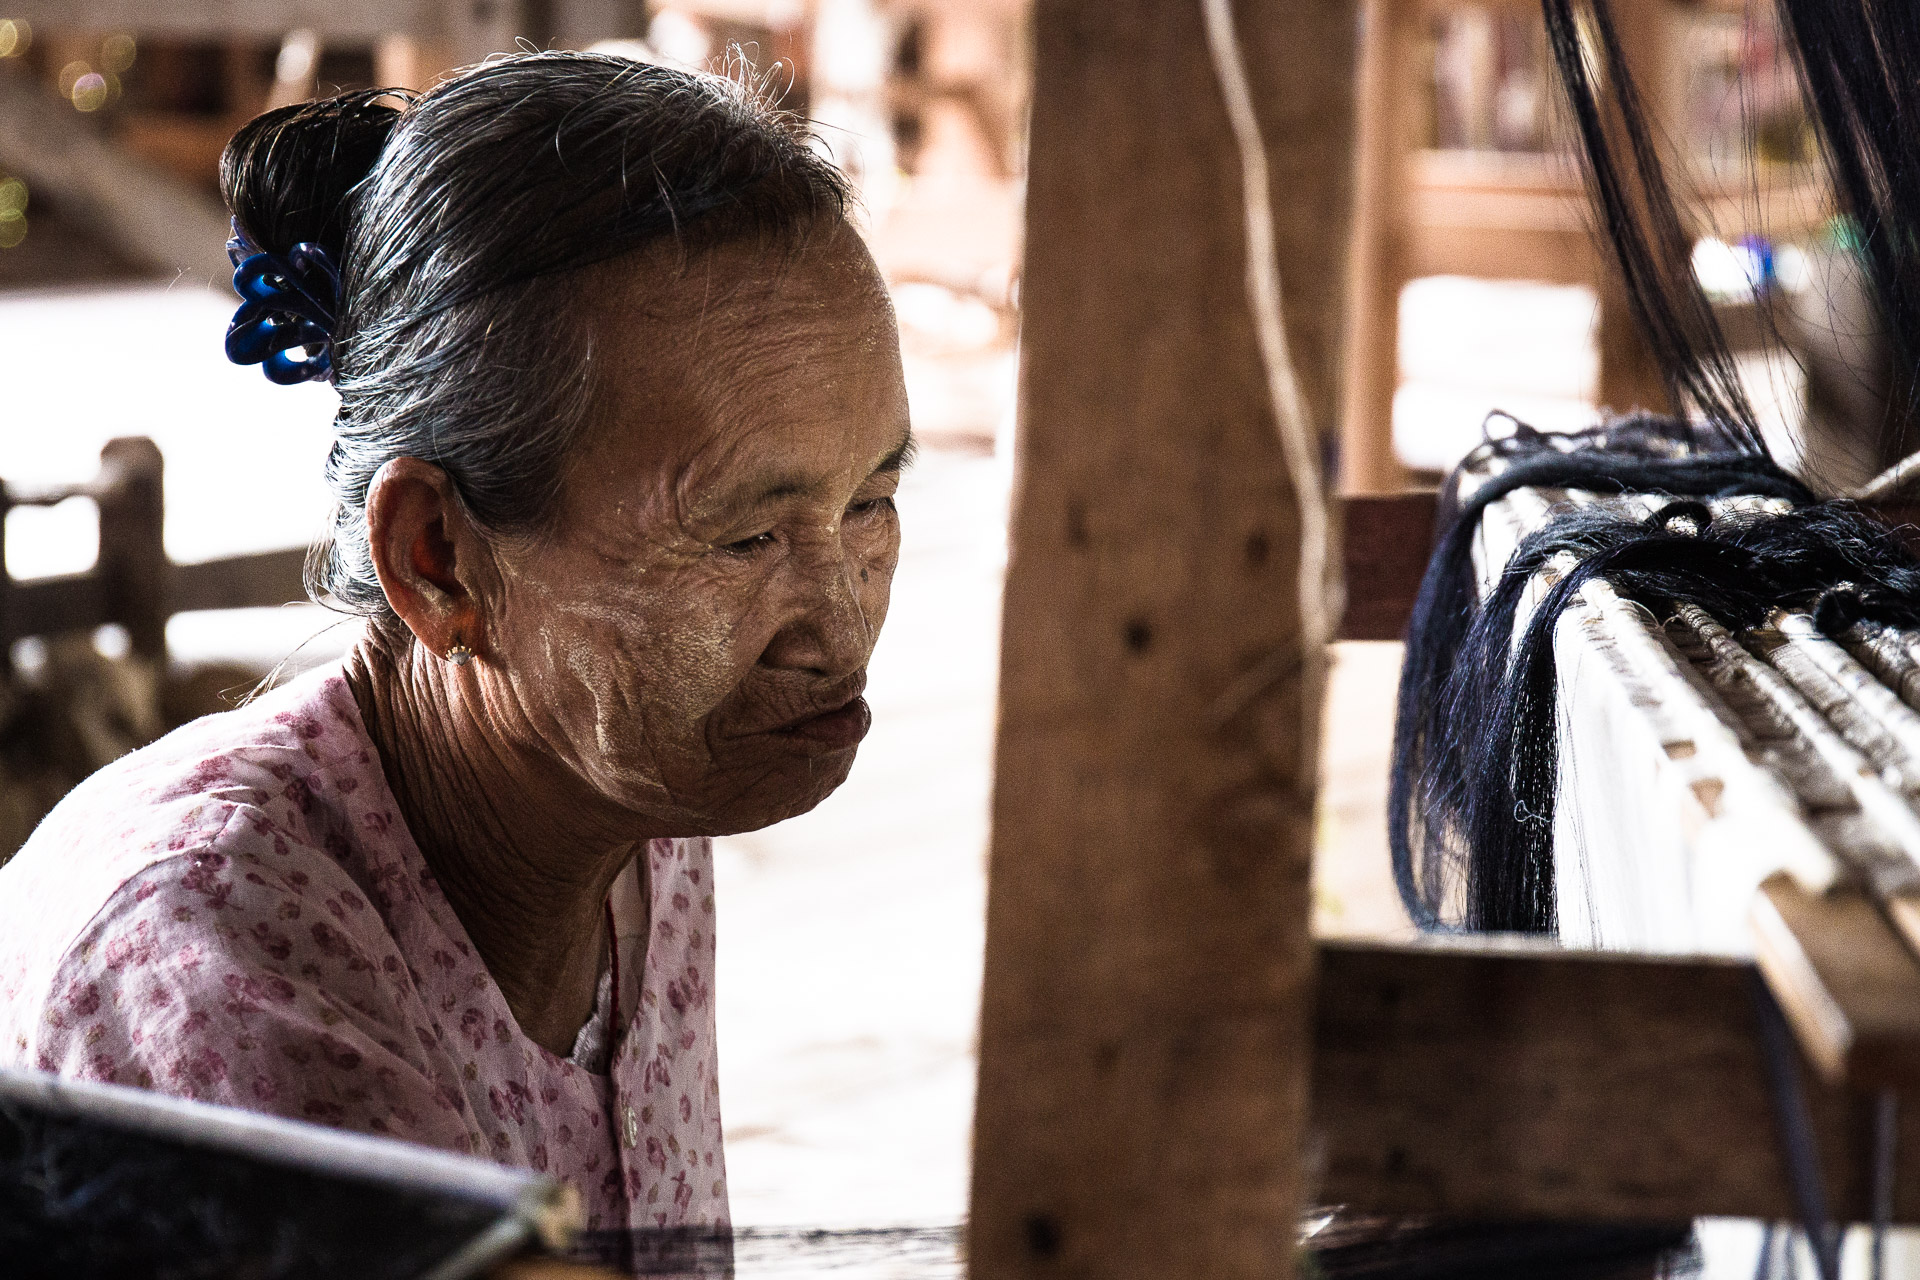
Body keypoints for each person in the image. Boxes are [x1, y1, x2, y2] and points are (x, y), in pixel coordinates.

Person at [0, 50, 912, 1259]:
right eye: (744, 536)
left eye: (871, 503)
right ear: (437, 559)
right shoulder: (218, 961)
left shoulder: (633, 799)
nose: (840, 623)